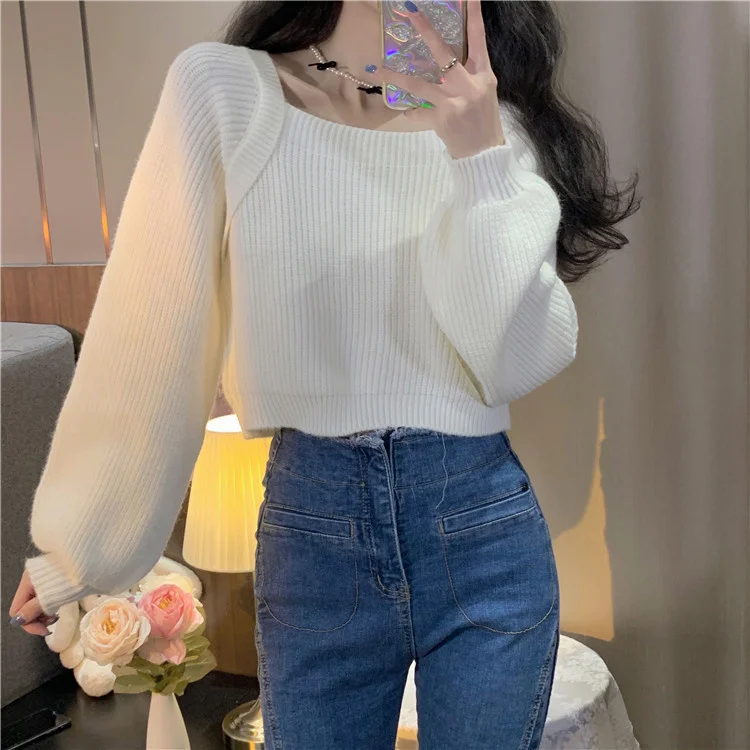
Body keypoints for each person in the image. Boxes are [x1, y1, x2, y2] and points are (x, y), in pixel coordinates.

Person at [9, 1, 640, 747]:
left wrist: (479, 157)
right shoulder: (226, 91)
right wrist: (79, 552)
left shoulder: (494, 122)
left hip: (482, 533)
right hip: (316, 535)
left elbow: (512, 361)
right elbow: (150, 332)